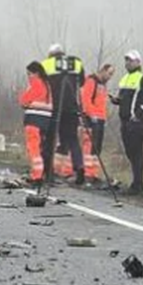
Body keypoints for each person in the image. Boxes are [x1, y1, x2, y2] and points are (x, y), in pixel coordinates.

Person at [112, 50, 143, 195]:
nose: (127, 63)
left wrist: (139, 114)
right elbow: (125, 100)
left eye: (130, 60)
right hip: (125, 121)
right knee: (129, 151)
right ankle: (135, 182)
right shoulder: (124, 78)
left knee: (136, 152)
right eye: (126, 60)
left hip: (137, 122)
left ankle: (138, 184)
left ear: (138, 62)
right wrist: (117, 101)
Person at [40, 44, 86, 185]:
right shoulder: (76, 63)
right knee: (72, 139)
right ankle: (79, 167)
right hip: (72, 107)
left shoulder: (46, 65)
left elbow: (41, 84)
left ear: (50, 55)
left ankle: (48, 173)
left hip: (54, 107)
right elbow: (82, 82)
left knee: (50, 139)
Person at [80, 64, 115, 183]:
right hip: (91, 119)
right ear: (103, 71)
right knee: (89, 147)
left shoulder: (102, 85)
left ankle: (93, 173)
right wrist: (91, 115)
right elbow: (86, 100)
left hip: (100, 119)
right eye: (109, 73)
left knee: (97, 148)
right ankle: (87, 173)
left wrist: (103, 118)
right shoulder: (91, 81)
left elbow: (102, 104)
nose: (110, 77)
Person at [18, 61, 52, 183]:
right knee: (43, 147)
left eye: (29, 74)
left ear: (36, 73)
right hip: (47, 121)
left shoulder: (36, 83)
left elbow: (23, 100)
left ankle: (36, 175)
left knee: (34, 148)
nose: (28, 77)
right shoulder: (49, 85)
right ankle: (45, 173)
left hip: (34, 120)